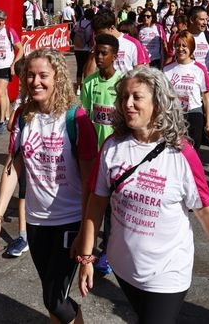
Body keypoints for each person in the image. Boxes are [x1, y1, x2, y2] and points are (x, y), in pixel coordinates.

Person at [77, 67, 209, 323]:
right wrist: (86, 257)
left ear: (158, 103)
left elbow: (205, 210)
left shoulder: (181, 154)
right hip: (123, 267)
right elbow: (96, 202)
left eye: (137, 97)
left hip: (168, 271)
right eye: (124, 97)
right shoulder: (112, 147)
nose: (127, 104)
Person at [0, 49, 97, 324]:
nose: (36, 82)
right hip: (36, 222)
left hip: (69, 221)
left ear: (58, 78)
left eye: (43, 75)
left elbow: (91, 186)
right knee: (51, 292)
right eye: (30, 75)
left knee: (54, 298)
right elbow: (13, 167)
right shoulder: (23, 116)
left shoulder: (76, 119)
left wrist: (86, 232)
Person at [79, 33, 122, 275]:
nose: (99, 56)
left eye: (104, 53)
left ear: (115, 56)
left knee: (113, 206)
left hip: (116, 154)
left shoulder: (124, 82)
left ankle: (109, 250)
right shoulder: (90, 83)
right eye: (97, 52)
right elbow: (85, 118)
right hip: (94, 156)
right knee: (94, 200)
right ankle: (90, 245)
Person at [163, 30, 209, 151]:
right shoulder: (166, 69)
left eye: (184, 46)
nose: (180, 49)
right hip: (173, 115)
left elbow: (206, 98)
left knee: (191, 152)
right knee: (172, 151)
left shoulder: (200, 69)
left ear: (191, 48)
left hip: (194, 114)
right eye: (178, 45)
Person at [82, 9, 149, 78]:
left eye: (101, 33)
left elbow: (142, 73)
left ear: (112, 28)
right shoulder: (98, 45)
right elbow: (88, 76)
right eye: (95, 33)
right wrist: (94, 52)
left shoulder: (133, 44)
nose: (97, 36)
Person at [72, 9, 95, 96]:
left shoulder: (79, 22)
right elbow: (89, 36)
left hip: (77, 48)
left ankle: (78, 88)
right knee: (86, 68)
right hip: (86, 48)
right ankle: (85, 87)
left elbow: (73, 33)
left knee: (79, 67)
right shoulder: (91, 25)